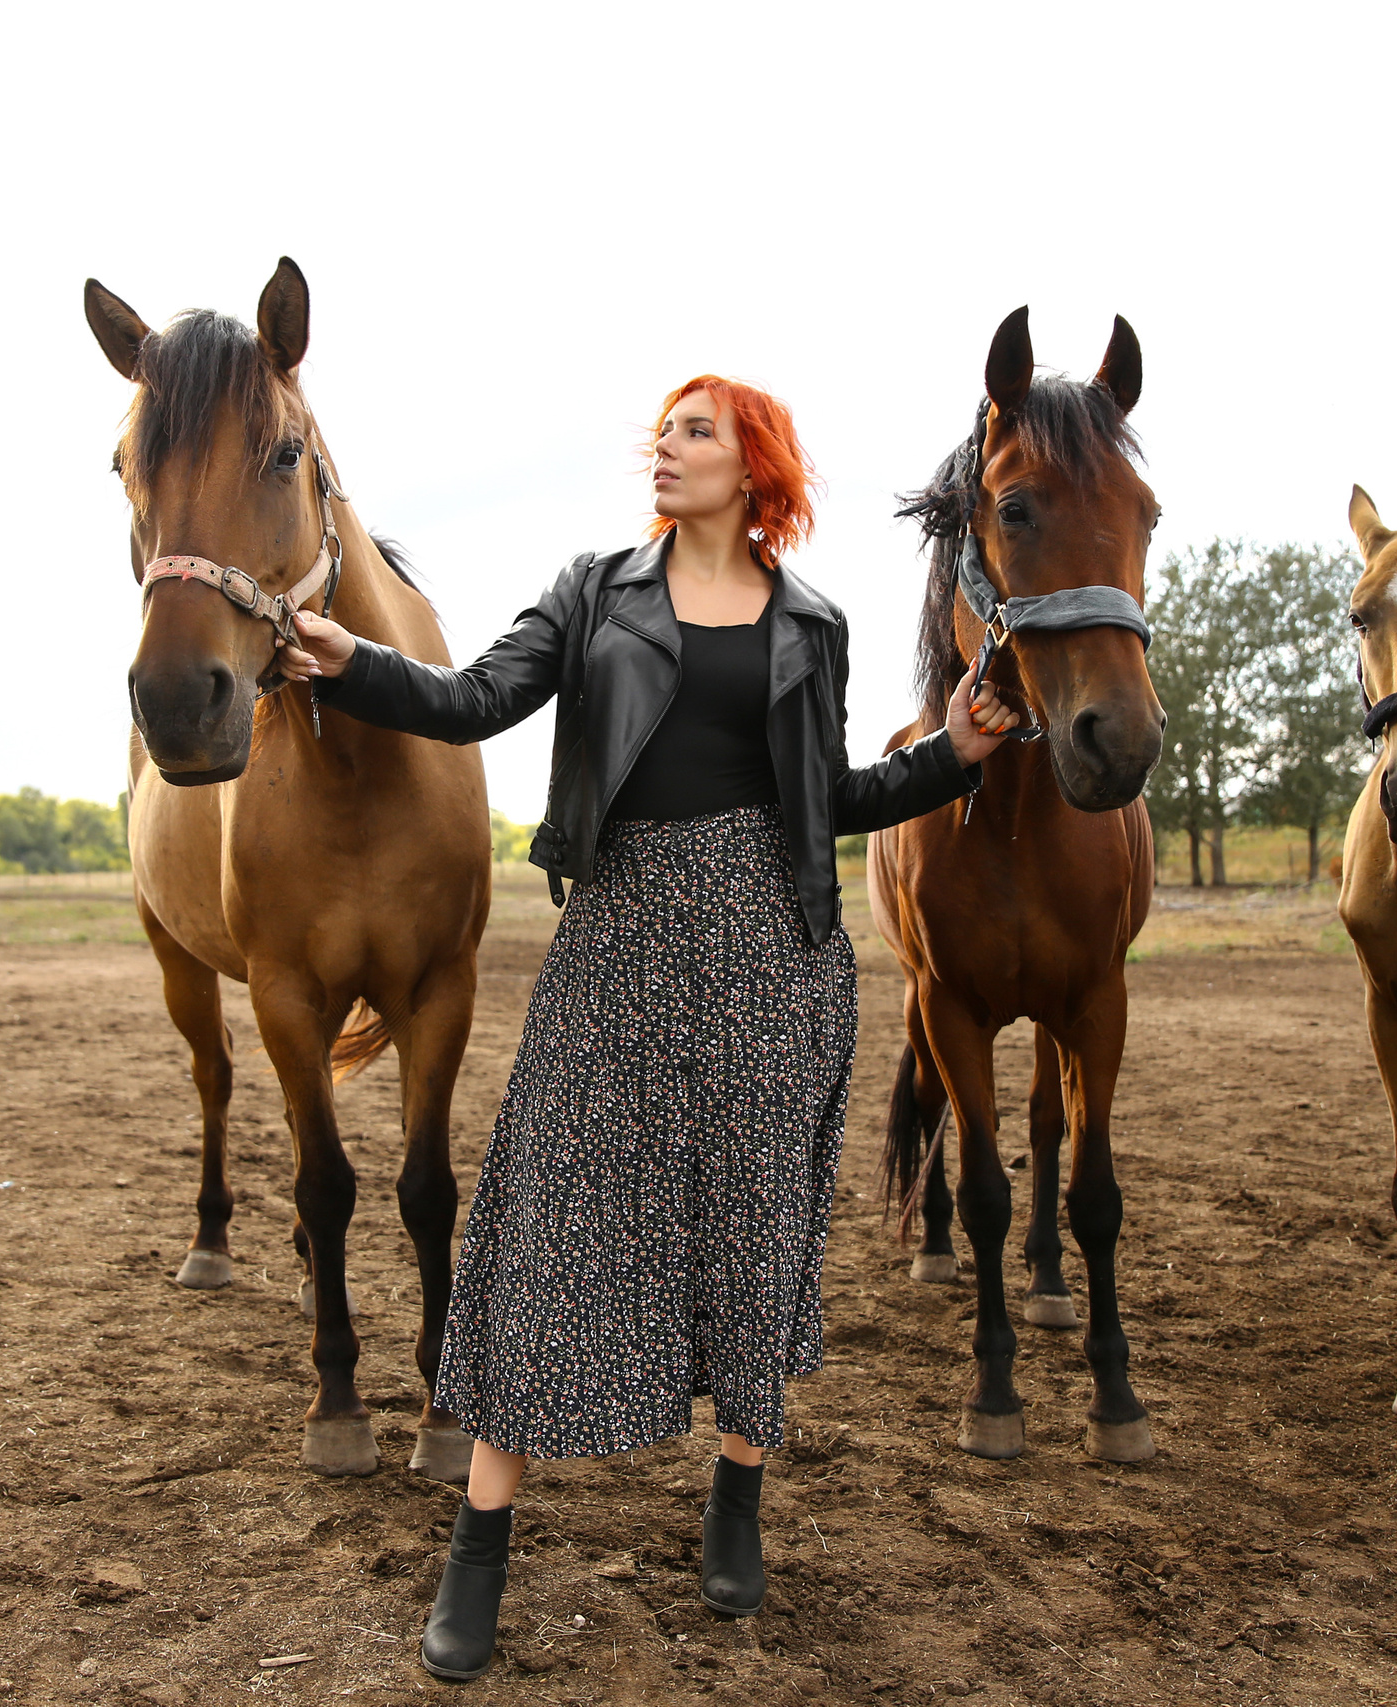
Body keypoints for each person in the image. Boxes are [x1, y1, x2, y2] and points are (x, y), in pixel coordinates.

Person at [275, 376, 1022, 1682]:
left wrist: (951, 752)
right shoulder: (591, 591)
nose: (663, 450)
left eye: (696, 431)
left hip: (768, 959)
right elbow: (475, 701)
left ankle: (736, 1496)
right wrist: (360, 665)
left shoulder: (814, 623)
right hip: (617, 940)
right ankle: (479, 1547)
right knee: (549, 1232)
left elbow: (831, 797)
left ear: (757, 465)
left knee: (751, 1230)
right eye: (662, 431)